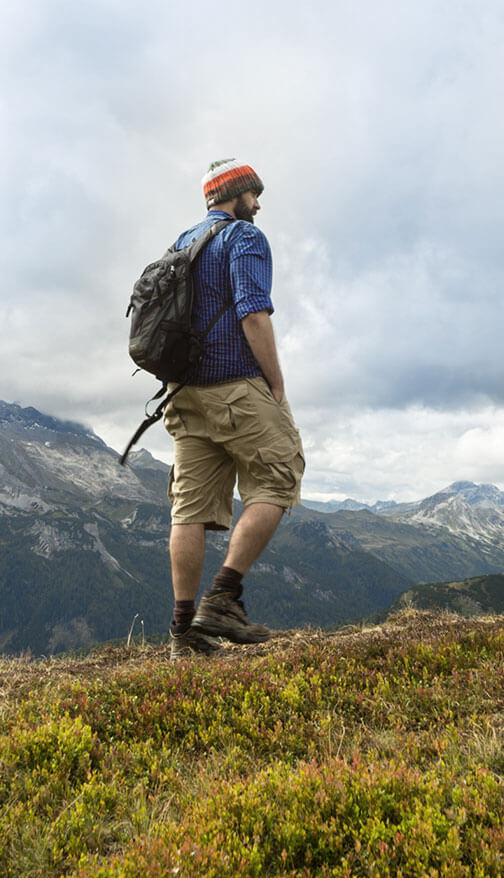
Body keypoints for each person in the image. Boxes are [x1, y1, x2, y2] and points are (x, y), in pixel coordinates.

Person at [163, 158, 305, 659]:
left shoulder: (182, 242)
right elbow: (252, 312)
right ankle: (224, 598)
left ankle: (184, 634)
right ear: (234, 195)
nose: (259, 203)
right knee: (280, 474)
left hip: (183, 394)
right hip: (235, 386)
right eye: (254, 194)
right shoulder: (244, 239)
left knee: (191, 509)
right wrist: (276, 382)